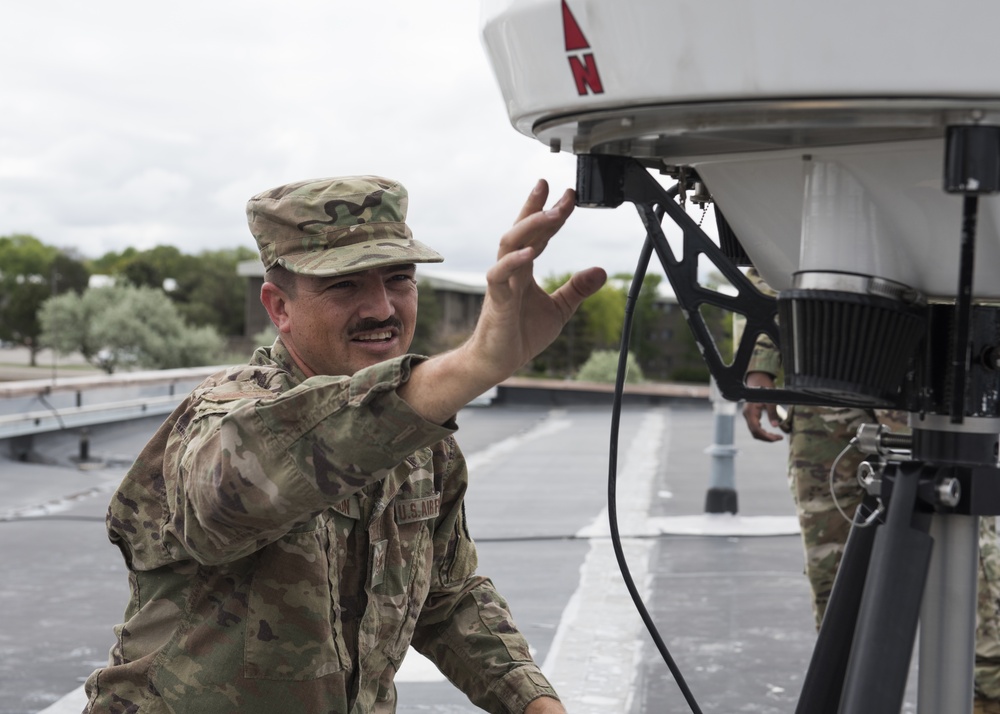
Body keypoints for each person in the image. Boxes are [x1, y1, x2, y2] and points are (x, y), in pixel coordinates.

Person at [83, 175, 607, 714]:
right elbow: (231, 494)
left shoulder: (423, 444)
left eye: (399, 278)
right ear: (279, 307)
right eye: (344, 285)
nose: (381, 308)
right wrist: (475, 364)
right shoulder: (222, 412)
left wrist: (535, 703)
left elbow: (446, 598)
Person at [741, 271, 1000, 712]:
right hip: (826, 354)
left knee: (969, 556)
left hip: (939, 356)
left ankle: (990, 697)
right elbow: (768, 251)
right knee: (834, 565)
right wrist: (758, 359)